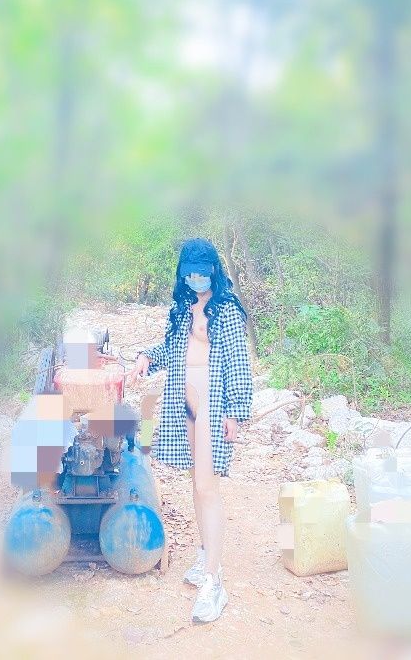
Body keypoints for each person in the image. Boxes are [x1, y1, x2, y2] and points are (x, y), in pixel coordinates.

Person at [127, 237, 253, 624]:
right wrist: (146, 357)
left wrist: (236, 411)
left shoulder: (226, 309)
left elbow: (238, 362)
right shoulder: (184, 306)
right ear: (183, 274)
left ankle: (215, 583)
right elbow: (172, 348)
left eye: (202, 273)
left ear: (213, 270)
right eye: (190, 274)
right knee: (196, 485)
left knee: (207, 488)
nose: (197, 279)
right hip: (185, 401)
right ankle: (205, 555)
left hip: (213, 402)